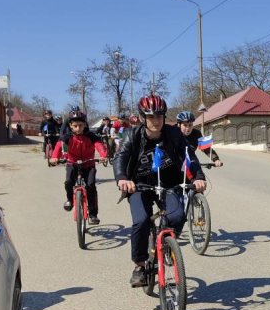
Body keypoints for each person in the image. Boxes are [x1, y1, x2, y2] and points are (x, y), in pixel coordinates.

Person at [113, 94, 207, 287]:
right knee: (141, 221)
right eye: (151, 117)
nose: (155, 121)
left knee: (178, 216)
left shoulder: (174, 134)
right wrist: (122, 178)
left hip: (169, 183)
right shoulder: (132, 135)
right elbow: (120, 157)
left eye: (159, 116)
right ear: (142, 118)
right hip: (139, 184)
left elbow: (189, 156)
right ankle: (139, 265)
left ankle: (166, 246)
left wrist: (198, 177)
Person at [49, 109, 108, 225]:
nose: (78, 128)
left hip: (88, 164)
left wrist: (103, 155)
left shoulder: (91, 135)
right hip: (72, 163)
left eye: (80, 125)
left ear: (85, 124)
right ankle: (70, 200)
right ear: (70, 126)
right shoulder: (67, 137)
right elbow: (59, 146)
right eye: (75, 126)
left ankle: (93, 214)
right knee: (68, 181)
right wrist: (54, 157)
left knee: (91, 185)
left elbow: (99, 145)